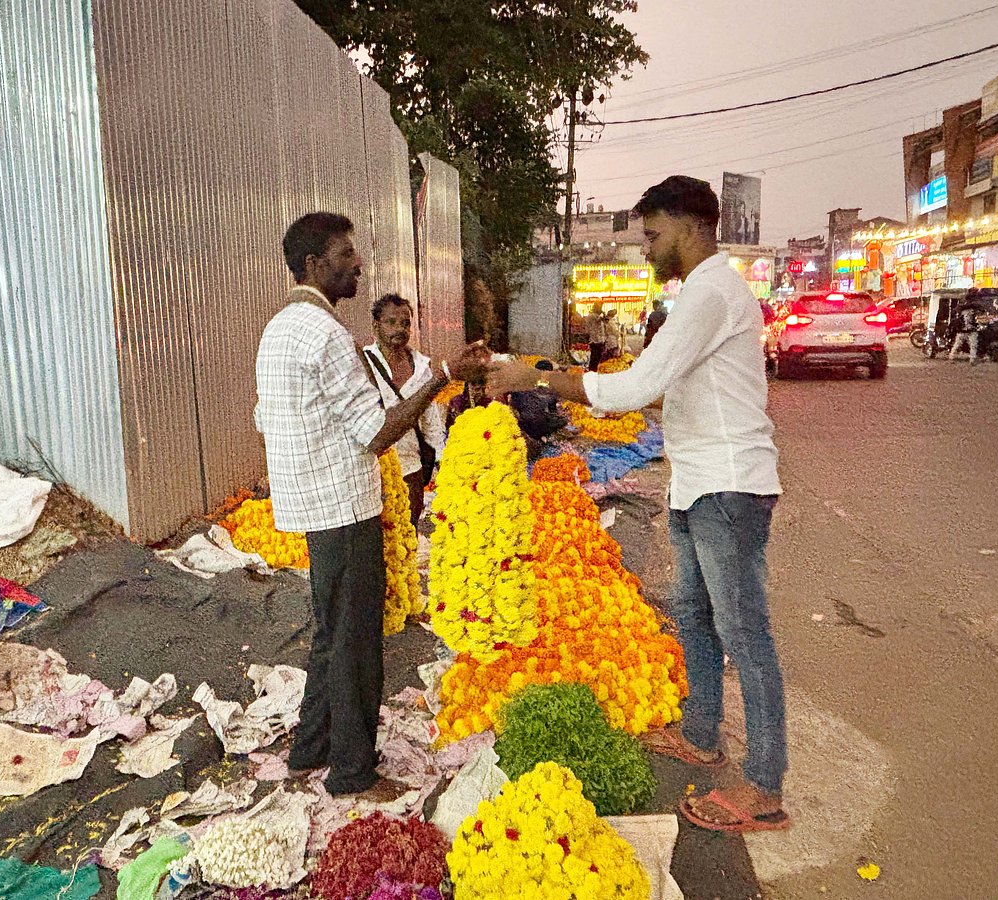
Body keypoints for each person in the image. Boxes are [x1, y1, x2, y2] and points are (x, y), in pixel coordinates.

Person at [487, 176, 789, 833]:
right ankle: (702, 735)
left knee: (745, 631)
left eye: (652, 235)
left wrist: (533, 376)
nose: (648, 248)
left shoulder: (712, 291)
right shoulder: (700, 296)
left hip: (730, 487)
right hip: (699, 482)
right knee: (694, 613)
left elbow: (635, 389)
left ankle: (765, 786)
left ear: (687, 223)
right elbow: (662, 391)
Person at [254, 212, 487, 796]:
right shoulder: (327, 335)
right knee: (356, 640)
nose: (357, 262)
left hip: (311, 506)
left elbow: (266, 419)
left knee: (331, 633)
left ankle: (309, 749)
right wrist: (443, 376)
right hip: (342, 507)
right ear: (313, 265)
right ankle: (352, 773)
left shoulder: (278, 328)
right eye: (344, 254)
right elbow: (377, 433)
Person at [363, 293, 447, 525]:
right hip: (371, 467)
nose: (399, 329)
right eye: (391, 322)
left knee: (408, 531)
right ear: (376, 325)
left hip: (411, 465)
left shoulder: (421, 367)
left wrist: (441, 458)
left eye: (405, 323)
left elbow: (431, 420)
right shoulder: (363, 363)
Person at [948, 299, 981, 364]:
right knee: (973, 345)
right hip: (968, 331)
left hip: (963, 331)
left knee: (958, 344)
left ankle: (952, 356)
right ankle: (972, 358)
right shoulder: (969, 313)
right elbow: (969, 322)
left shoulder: (963, 313)